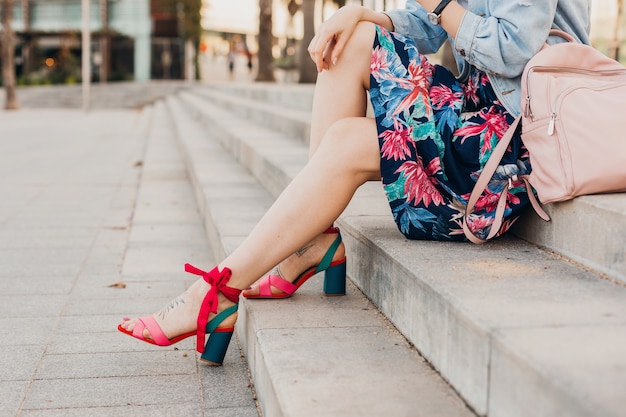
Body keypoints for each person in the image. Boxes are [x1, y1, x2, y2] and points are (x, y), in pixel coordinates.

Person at [118, 0, 591, 365]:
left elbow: (514, 50)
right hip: (472, 113)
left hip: (513, 141)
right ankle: (309, 242)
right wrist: (359, 12)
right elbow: (426, 28)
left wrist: (443, 5)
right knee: (352, 39)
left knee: (346, 141)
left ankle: (217, 291)